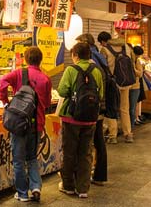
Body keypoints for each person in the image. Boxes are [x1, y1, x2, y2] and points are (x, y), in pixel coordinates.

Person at [0, 46, 52, 203]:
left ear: (26, 59)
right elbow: (47, 103)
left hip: (19, 124)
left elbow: (2, 80)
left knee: (18, 160)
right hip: (37, 125)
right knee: (32, 158)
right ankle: (35, 187)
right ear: (40, 60)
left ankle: (22, 193)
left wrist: (5, 101)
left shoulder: (19, 73)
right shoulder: (45, 78)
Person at [57, 41, 104, 199]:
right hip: (90, 119)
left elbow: (62, 90)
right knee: (86, 153)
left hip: (71, 118)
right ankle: (83, 188)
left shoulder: (71, 70)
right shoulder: (96, 71)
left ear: (75, 55)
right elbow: (101, 94)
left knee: (69, 152)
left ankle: (68, 186)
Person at [78, 33, 109, 185]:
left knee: (89, 141)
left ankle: (88, 176)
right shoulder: (99, 56)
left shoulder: (92, 62)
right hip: (99, 105)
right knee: (98, 140)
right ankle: (99, 175)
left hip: (92, 108)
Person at [98, 31, 132, 145]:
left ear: (103, 41)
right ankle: (128, 134)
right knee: (124, 108)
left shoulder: (105, 49)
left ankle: (113, 136)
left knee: (112, 108)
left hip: (113, 83)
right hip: (126, 82)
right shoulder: (125, 46)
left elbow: (103, 67)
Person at [132, 45, 148, 125]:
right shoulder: (132, 60)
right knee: (134, 104)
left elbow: (140, 73)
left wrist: (134, 70)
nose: (138, 56)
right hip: (133, 85)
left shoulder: (137, 61)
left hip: (136, 84)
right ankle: (135, 119)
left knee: (136, 102)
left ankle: (136, 118)